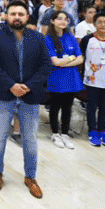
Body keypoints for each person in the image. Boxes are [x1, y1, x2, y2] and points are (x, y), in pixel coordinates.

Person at [0, 0, 52, 199]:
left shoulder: (37, 38)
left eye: (20, 14)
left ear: (27, 17)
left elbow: (46, 66)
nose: (16, 17)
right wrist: (11, 85)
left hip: (30, 96)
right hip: (4, 95)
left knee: (30, 140)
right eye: (13, 14)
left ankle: (30, 177)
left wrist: (28, 86)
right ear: (6, 16)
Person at [44, 10, 84, 149]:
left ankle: (65, 133)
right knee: (55, 107)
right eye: (59, 18)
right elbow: (55, 62)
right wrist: (72, 58)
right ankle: (55, 133)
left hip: (71, 77)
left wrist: (65, 62)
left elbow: (80, 58)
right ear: (52, 21)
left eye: (65, 19)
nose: (63, 21)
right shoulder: (48, 39)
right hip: (56, 77)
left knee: (68, 107)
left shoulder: (70, 37)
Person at [80, 13, 105, 147]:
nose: (103, 25)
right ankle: (92, 131)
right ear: (94, 24)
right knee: (92, 106)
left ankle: (102, 131)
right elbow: (82, 57)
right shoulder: (87, 39)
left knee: (104, 107)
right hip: (91, 78)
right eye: (99, 22)